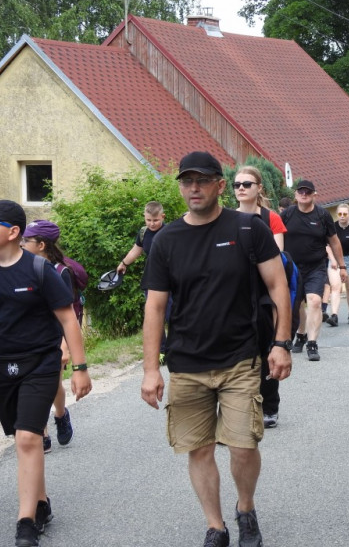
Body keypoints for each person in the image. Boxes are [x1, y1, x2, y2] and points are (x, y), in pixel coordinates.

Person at [140, 151, 292, 547]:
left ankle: (246, 508)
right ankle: (216, 526)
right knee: (199, 448)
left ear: (220, 185)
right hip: (186, 363)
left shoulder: (248, 228)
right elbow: (155, 307)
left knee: (243, 445)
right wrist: (151, 369)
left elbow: (278, 285)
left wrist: (281, 343)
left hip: (240, 358)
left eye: (202, 180)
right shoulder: (167, 240)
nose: (193, 188)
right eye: (186, 181)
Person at [0, 200, 92, 547]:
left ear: (13, 232)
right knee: (22, 439)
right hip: (3, 368)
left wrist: (80, 368)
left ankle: (25, 522)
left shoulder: (39, 270)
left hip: (41, 364)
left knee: (28, 438)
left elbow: (68, 319)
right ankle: (40, 503)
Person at [235, 165, 288, 429]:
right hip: (237, 293)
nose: (241, 188)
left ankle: (269, 406)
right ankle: (238, 407)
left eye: (247, 184)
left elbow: (277, 255)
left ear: (259, 188)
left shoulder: (270, 218)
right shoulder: (227, 219)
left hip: (265, 294)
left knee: (266, 349)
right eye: (237, 184)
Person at [21, 220, 77, 453]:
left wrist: (65, 345)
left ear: (41, 245)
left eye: (26, 240)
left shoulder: (61, 273)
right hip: (30, 340)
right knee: (35, 387)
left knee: (53, 385)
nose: (22, 244)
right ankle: (41, 431)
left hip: (54, 339)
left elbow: (69, 314)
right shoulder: (22, 269)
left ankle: (61, 414)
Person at [281, 180, 346, 362]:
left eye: (308, 192)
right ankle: (301, 334)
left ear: (314, 195)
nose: (304, 194)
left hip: (316, 266)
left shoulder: (322, 215)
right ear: (295, 194)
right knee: (297, 305)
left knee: (315, 301)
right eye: (301, 191)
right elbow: (276, 238)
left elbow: (334, 241)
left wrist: (342, 266)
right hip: (293, 267)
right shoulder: (287, 214)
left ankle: (312, 343)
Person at [116, 200, 169, 363]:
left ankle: (179, 348)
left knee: (173, 315)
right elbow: (136, 250)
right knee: (155, 316)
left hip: (171, 280)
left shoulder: (170, 232)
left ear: (163, 217)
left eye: (155, 220)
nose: (152, 224)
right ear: (144, 218)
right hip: (151, 280)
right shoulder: (143, 233)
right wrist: (124, 263)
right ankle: (162, 351)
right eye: (148, 220)